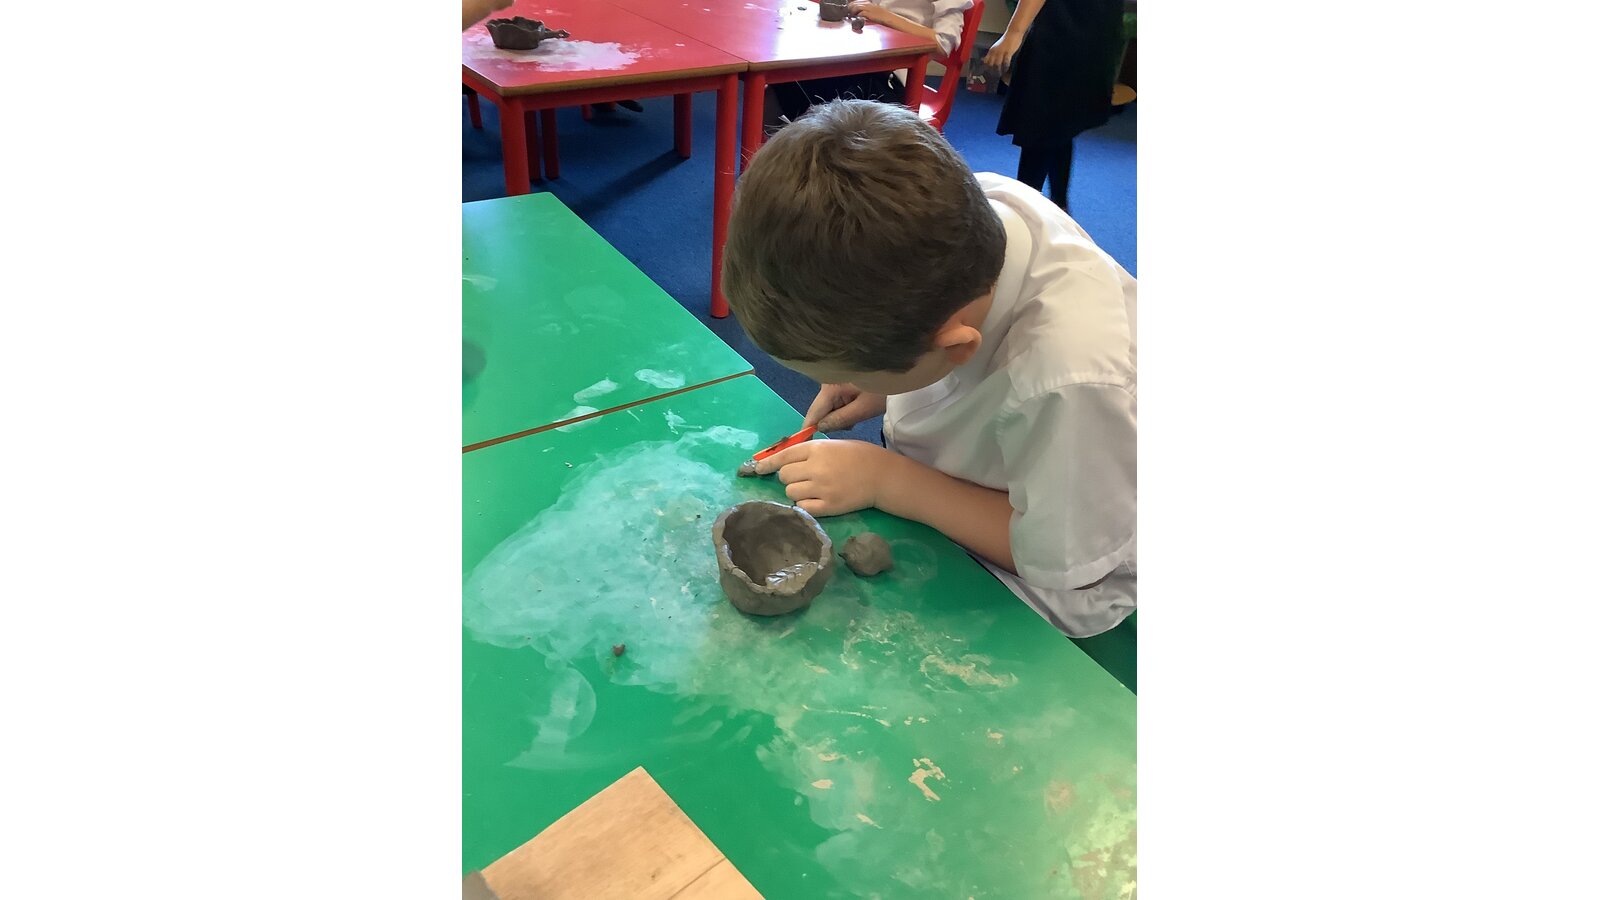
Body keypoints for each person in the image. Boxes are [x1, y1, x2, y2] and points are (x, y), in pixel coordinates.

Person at [721, 100, 1135, 640]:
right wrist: (878, 383)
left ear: (954, 346)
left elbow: (1065, 560)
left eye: (859, 375)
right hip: (987, 457)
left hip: (1064, 555)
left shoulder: (1067, 382)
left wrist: (889, 481)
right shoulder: (966, 217)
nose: (850, 386)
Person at [984, 0, 1123, 211]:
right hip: (1097, 28)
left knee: (1041, 126)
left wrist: (1014, 32)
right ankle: (1059, 207)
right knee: (1061, 125)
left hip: (1064, 33)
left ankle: (1024, 212)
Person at [770, 0, 972, 125]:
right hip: (861, 63)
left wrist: (884, 17)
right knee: (783, 78)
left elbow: (942, 44)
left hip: (891, 82)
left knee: (793, 85)